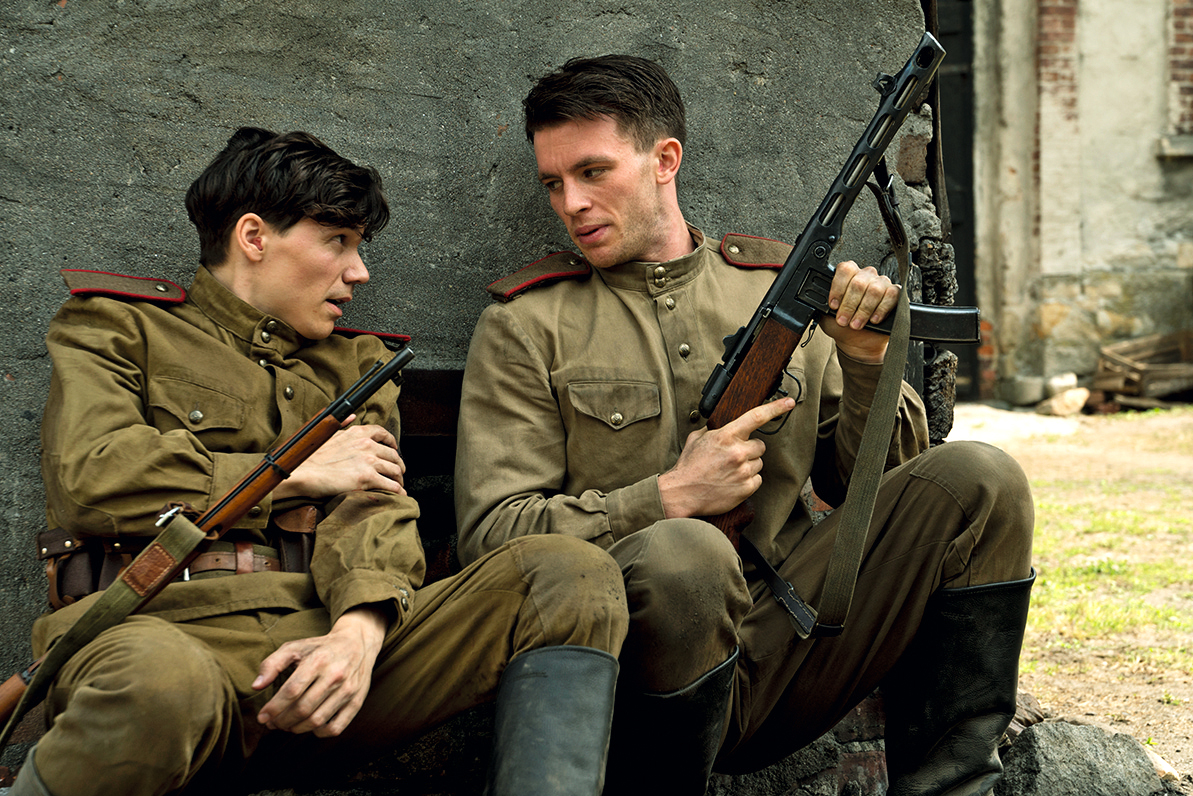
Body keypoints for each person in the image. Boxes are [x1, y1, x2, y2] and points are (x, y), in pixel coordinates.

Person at [454, 54, 1035, 796]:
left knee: (980, 479)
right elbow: (492, 536)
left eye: (593, 172)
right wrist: (664, 498)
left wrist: (864, 361)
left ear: (665, 160)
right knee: (685, 552)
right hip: (632, 673)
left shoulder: (774, 295)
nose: (571, 202)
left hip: (796, 637)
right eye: (553, 183)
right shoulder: (528, 325)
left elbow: (879, 494)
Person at [12, 127, 628, 796]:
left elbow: (375, 511)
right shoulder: (118, 327)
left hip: (325, 658)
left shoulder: (357, 367)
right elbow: (92, 473)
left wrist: (357, 636)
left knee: (566, 572)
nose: (359, 272)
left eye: (358, 247)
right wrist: (294, 471)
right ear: (254, 237)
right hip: (159, 634)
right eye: (337, 241)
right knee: (162, 684)